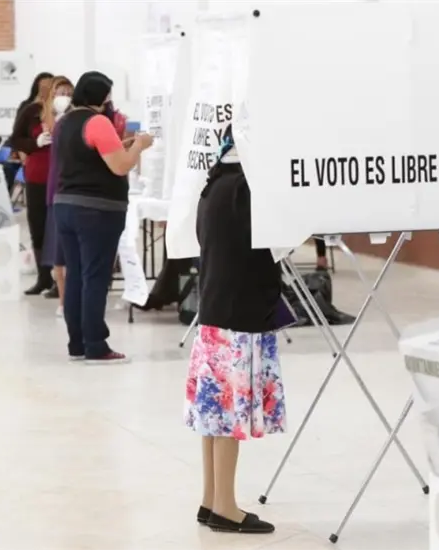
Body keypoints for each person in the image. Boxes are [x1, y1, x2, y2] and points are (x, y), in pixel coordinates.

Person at [184, 125, 282, 535]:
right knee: (228, 414)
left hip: (215, 310)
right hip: (240, 313)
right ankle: (226, 506)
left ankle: (211, 499)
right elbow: (275, 240)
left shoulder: (215, 184)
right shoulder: (248, 188)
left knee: (213, 414)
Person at [54, 71, 154, 363]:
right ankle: (96, 344)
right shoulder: (97, 121)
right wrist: (139, 145)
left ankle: (77, 344)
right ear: (101, 96)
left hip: (66, 205)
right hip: (96, 210)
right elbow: (121, 166)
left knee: (75, 276)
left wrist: (122, 145)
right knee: (95, 277)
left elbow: (92, 154)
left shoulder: (64, 123)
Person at [11, 75, 56, 296]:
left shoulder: (65, 112)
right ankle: (43, 277)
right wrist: (33, 145)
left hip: (63, 177)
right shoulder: (30, 111)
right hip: (37, 174)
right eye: (43, 87)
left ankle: (61, 279)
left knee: (59, 228)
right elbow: (16, 139)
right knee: (38, 226)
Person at [42, 75, 74, 316]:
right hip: (55, 190)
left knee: (72, 254)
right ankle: (62, 301)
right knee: (58, 256)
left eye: (69, 92)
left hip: (72, 189)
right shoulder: (49, 120)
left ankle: (72, 300)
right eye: (60, 92)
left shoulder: (76, 120)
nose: (65, 97)